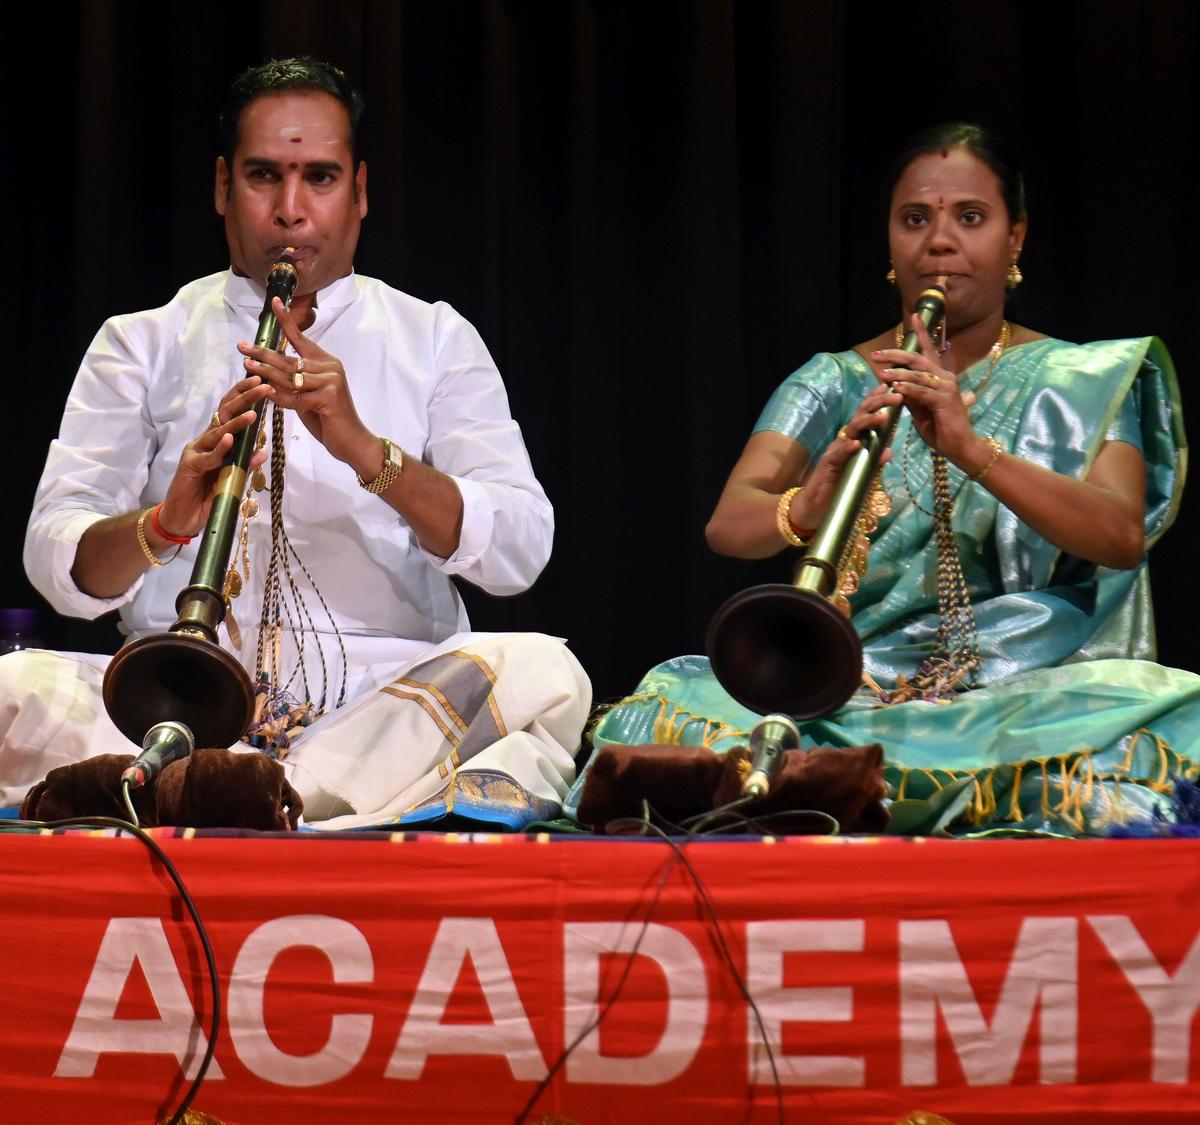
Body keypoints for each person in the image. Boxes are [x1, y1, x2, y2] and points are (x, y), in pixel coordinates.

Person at [1, 57, 590, 829]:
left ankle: (232, 789)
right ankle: (269, 794)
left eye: (319, 177)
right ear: (222, 188)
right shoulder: (141, 343)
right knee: (11, 691)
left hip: (380, 704)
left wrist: (368, 453)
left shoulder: (435, 339)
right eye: (262, 176)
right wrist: (164, 524)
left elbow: (519, 549)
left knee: (546, 674)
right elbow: (57, 558)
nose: (290, 210)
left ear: (360, 192)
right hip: (173, 695)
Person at [570, 122, 1198, 836]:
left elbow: (1118, 535)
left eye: (970, 217)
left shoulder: (1085, 377)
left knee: (1175, 712)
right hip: (851, 681)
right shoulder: (835, 379)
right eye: (914, 219)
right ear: (891, 243)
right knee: (665, 702)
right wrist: (802, 506)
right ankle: (859, 772)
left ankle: (843, 785)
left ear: (1015, 238)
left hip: (1030, 684)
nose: (939, 241)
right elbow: (729, 525)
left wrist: (968, 445)